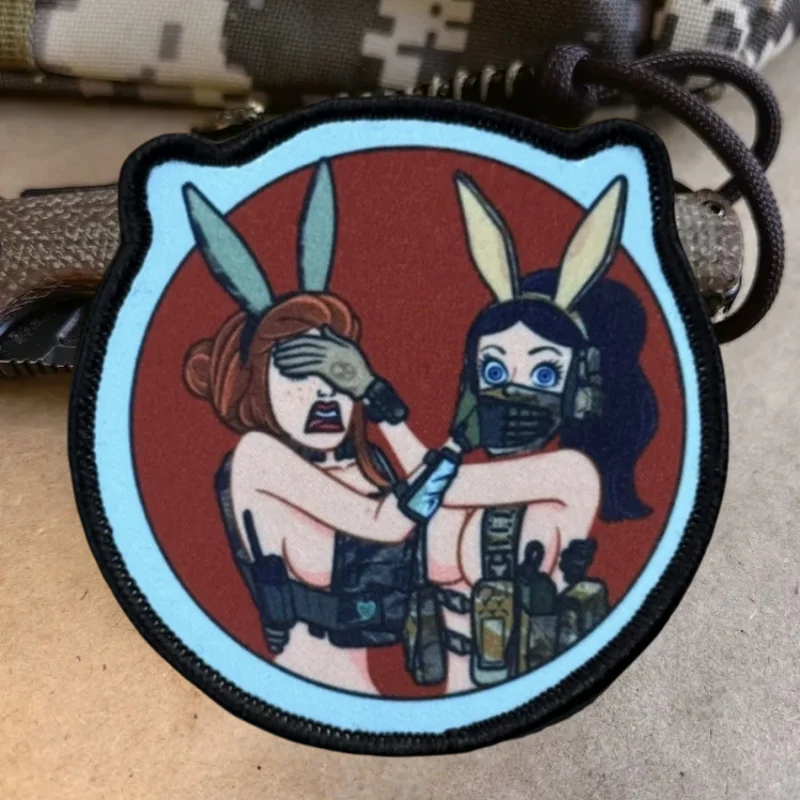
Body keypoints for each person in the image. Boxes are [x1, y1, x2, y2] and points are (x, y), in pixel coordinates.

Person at [273, 170, 659, 691]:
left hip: (523, 693)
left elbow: (444, 486)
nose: (511, 391)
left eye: (544, 374)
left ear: (581, 387)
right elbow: (416, 500)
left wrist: (375, 394)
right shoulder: (451, 473)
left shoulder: (569, 475)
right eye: (494, 370)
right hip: (448, 695)